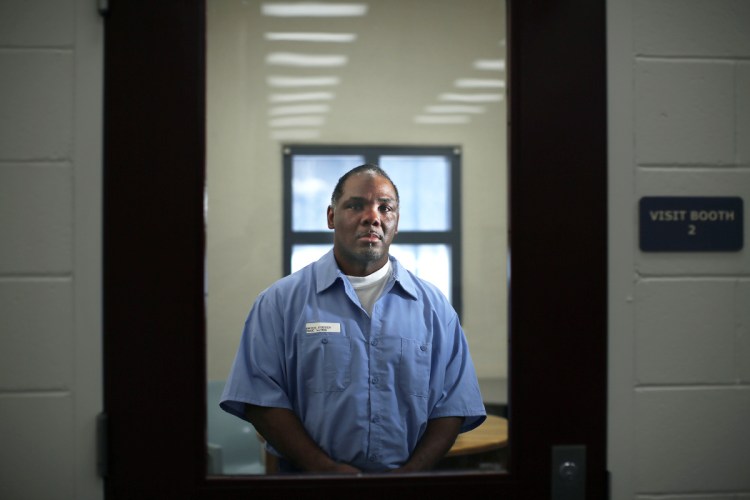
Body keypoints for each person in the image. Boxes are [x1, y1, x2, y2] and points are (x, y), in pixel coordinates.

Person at [220, 164, 486, 474]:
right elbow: (260, 400)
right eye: (356, 205)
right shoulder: (278, 303)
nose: (372, 217)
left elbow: (452, 405)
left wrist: (411, 476)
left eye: (385, 208)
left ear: (396, 222)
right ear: (331, 216)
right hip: (308, 484)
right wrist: (323, 468)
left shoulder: (435, 309)